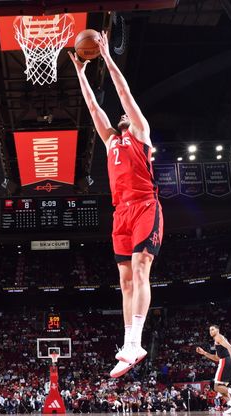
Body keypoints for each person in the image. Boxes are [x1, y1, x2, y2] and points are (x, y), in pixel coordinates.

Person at [70, 33, 163, 379]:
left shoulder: (141, 132)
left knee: (140, 269)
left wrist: (107, 57)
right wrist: (80, 71)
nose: (123, 112)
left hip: (144, 206)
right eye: (121, 113)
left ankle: (137, 341)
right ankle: (129, 345)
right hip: (120, 212)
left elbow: (123, 92)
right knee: (125, 281)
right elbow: (94, 107)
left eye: (126, 112)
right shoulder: (111, 138)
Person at [195, 325, 231, 415]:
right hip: (226, 361)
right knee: (221, 388)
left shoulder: (218, 337)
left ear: (218, 330)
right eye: (209, 330)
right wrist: (204, 353)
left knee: (216, 387)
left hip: (226, 361)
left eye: (212, 329)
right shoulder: (217, 341)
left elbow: (230, 347)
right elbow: (216, 358)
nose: (211, 331)